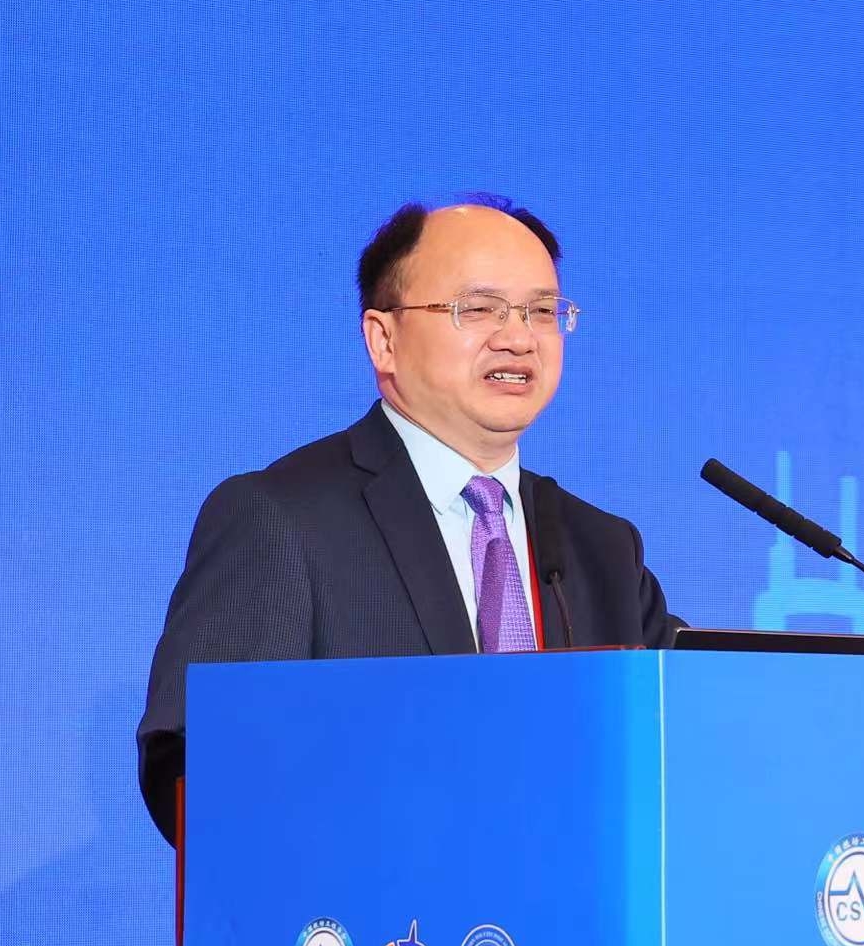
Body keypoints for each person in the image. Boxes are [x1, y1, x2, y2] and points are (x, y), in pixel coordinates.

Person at [135, 196, 680, 840]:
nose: (519, 337)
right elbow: (199, 763)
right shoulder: (280, 518)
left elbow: (683, 744)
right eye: (479, 308)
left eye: (541, 311)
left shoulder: (601, 546)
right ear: (383, 339)